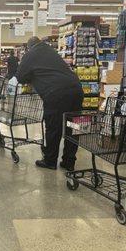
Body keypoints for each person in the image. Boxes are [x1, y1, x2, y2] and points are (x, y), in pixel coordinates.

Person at [16, 36, 84, 171]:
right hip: (76, 90)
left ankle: (50, 161)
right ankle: (69, 161)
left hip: (56, 93)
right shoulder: (52, 51)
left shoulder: (30, 55)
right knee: (73, 127)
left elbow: (20, 77)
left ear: (29, 47)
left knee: (54, 128)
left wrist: (32, 76)